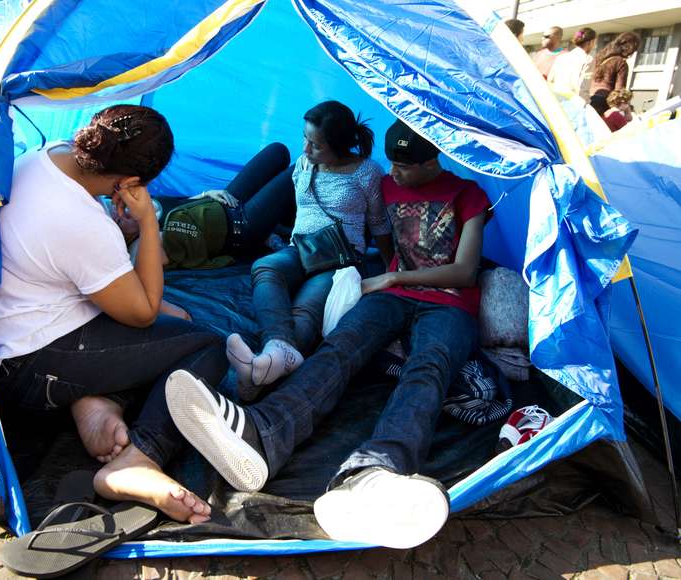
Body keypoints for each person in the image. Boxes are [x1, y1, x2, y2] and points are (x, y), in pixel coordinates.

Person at [164, 119, 490, 549]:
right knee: (341, 346)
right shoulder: (390, 187)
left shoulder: (468, 195)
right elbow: (386, 241)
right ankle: (263, 432)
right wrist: (385, 277)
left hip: (449, 303)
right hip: (391, 293)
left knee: (428, 368)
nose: (394, 174)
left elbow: (467, 272)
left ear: (433, 162)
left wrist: (393, 279)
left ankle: (378, 471)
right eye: (391, 164)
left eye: (405, 167)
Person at [0, 104, 227, 524]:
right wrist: (148, 223)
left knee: (174, 323)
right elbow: (144, 312)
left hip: (5, 332)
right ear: (128, 182)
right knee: (206, 346)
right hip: (29, 365)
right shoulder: (81, 223)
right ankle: (137, 458)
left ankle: (93, 402)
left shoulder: (48, 155)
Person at [226, 100, 394, 393]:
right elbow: (300, 210)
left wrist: (392, 268)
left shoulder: (367, 173)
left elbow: (380, 224)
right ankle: (277, 350)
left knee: (305, 311)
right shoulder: (305, 164)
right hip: (302, 248)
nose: (305, 149)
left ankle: (258, 377)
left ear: (340, 146)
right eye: (305, 138)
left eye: (315, 144)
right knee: (265, 266)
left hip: (340, 258)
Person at [109, 143, 295, 271]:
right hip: (242, 227)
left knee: (278, 151)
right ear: (120, 237)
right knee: (299, 171)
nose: (126, 212)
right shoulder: (142, 246)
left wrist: (206, 194)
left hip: (228, 200)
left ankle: (276, 225)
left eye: (121, 208)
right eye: (120, 219)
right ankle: (271, 229)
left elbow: (179, 206)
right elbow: (137, 273)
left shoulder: (146, 210)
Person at [590, 31, 640, 116]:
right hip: (604, 102)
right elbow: (619, 91)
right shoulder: (621, 63)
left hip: (590, 97)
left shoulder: (599, 58)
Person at [548, 27, 597, 99]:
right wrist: (585, 104)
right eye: (594, 42)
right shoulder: (588, 59)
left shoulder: (561, 57)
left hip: (557, 100)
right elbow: (583, 88)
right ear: (590, 42)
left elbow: (550, 80)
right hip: (573, 102)